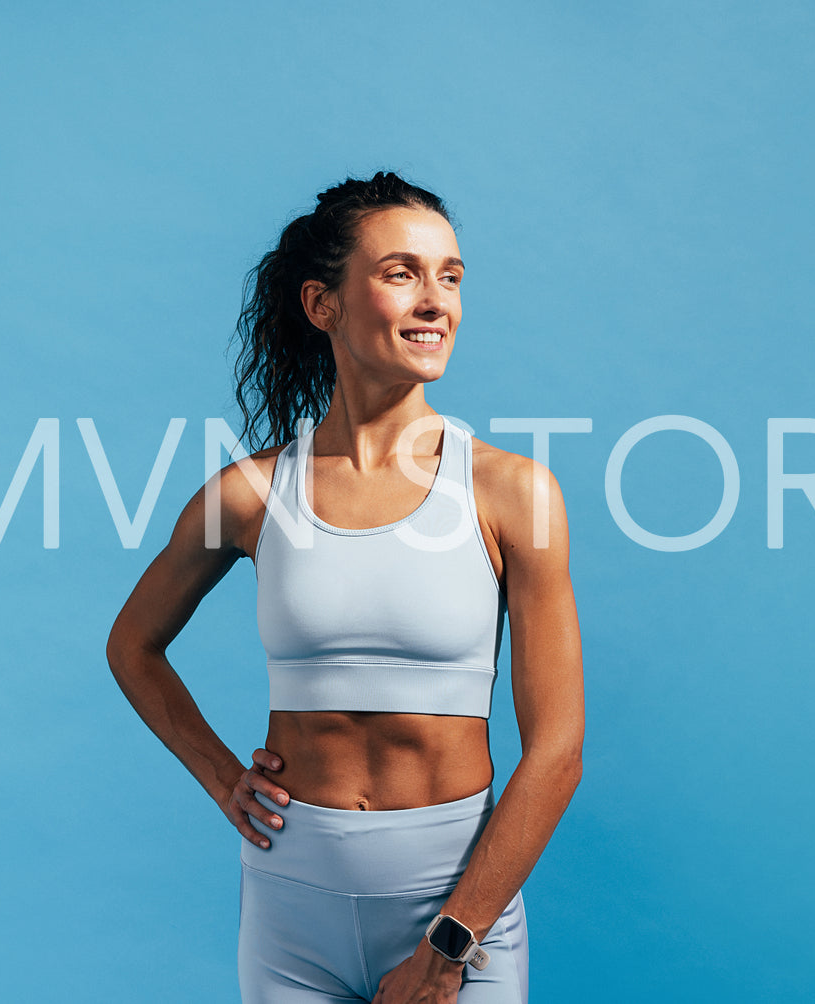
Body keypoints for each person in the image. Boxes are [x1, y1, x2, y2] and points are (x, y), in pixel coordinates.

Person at [105, 171, 584, 1003]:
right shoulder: (249, 495)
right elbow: (132, 646)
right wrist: (223, 779)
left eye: (451, 276)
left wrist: (448, 947)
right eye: (401, 272)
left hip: (454, 909)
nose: (436, 299)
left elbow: (557, 752)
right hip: (291, 909)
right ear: (323, 304)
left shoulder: (512, 494)